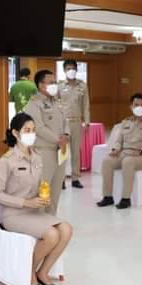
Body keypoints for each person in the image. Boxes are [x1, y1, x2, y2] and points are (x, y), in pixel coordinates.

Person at [0, 113, 73, 285]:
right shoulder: (6, 161)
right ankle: (29, 272)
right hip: (14, 215)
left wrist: (43, 196)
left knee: (66, 229)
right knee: (52, 235)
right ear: (15, 133)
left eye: (33, 130)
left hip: (34, 213)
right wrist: (25, 203)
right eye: (27, 130)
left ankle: (43, 272)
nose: (31, 134)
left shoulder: (37, 157)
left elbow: (38, 185)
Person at [98, 93, 142, 210]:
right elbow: (118, 140)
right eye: (136, 105)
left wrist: (141, 151)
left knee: (128, 161)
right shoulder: (126, 122)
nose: (139, 107)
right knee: (107, 161)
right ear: (131, 106)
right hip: (124, 153)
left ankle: (126, 199)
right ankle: (108, 196)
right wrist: (115, 149)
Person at [24, 70, 69, 215]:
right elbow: (38, 127)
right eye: (51, 82)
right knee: (43, 188)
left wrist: (66, 135)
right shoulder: (33, 104)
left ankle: (51, 218)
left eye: (55, 82)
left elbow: (66, 120)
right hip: (44, 151)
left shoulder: (57, 102)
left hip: (61, 151)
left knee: (56, 188)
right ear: (40, 85)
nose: (54, 85)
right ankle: (39, 220)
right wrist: (57, 139)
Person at [57, 60, 91, 189]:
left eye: (73, 68)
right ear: (64, 70)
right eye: (68, 68)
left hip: (76, 122)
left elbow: (86, 105)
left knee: (76, 152)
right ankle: (61, 180)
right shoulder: (59, 86)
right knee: (62, 152)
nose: (71, 70)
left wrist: (87, 122)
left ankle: (75, 178)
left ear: (76, 70)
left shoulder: (82, 85)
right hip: (63, 123)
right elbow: (55, 103)